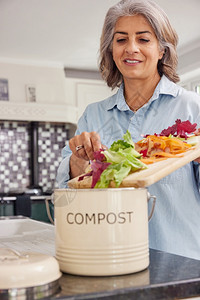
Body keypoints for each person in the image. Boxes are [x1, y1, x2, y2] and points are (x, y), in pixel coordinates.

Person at [57, 0, 200, 260]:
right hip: (109, 260)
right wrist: (75, 166)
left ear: (161, 51)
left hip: (180, 263)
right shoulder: (94, 114)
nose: (131, 49)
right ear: (111, 50)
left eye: (144, 39)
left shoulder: (193, 108)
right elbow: (68, 203)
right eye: (121, 40)